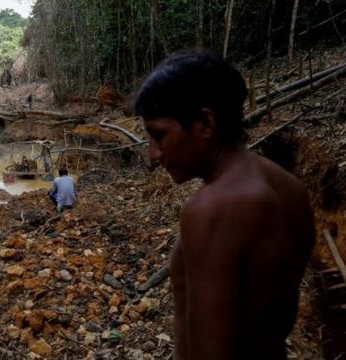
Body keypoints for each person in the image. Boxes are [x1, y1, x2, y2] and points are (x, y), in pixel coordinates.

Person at [134, 50, 315, 360]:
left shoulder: (213, 208)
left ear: (205, 123)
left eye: (159, 136)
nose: (153, 153)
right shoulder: (289, 188)